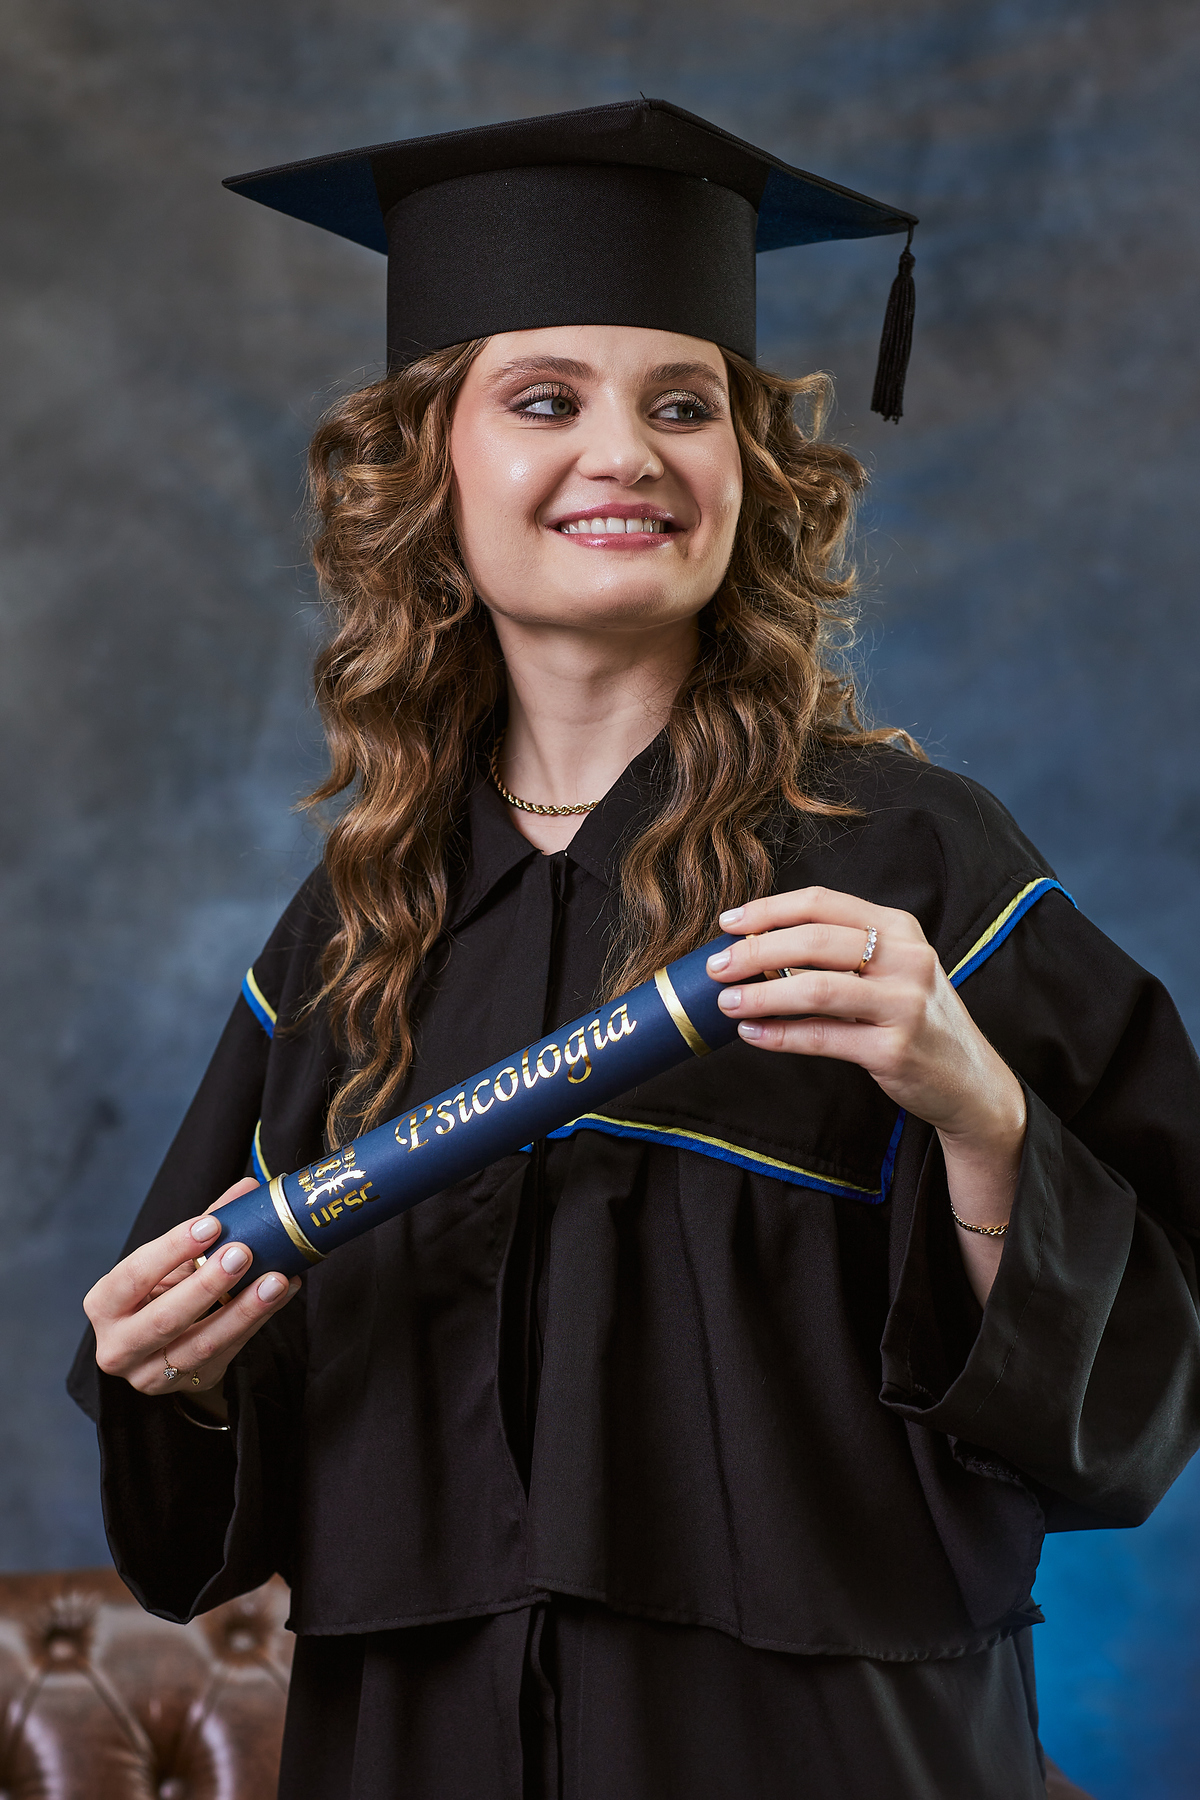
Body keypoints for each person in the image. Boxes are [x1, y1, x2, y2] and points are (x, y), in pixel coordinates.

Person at [70, 100, 1200, 1800]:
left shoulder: (911, 864)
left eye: (685, 405)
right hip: (422, 1748)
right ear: (429, 473)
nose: (629, 454)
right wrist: (179, 1379)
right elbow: (221, 1487)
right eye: (545, 401)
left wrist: (980, 1111)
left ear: (751, 473)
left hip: (818, 1753)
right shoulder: (350, 937)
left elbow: (1137, 1389)